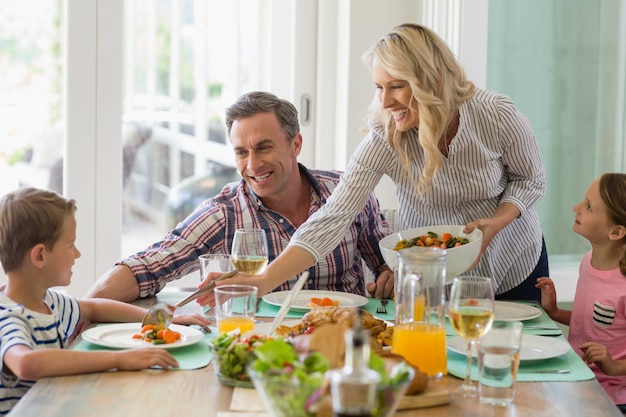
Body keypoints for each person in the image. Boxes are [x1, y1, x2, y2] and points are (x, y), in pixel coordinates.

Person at [201, 23, 548, 305]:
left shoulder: (496, 114)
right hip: (431, 275)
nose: (385, 100)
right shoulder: (386, 136)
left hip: (512, 261)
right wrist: (263, 281)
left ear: (434, 79)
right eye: (379, 87)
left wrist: (497, 221)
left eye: (396, 86)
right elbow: (333, 216)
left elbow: (531, 179)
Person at [85, 91, 394, 302]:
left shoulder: (347, 193)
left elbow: (387, 263)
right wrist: (84, 308)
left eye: (264, 147)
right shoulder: (225, 213)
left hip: (345, 341)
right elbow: (149, 265)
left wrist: (387, 277)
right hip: (262, 352)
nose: (252, 164)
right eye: (241, 152)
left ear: (295, 144)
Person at [0, 188, 206, 413]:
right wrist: (118, 360)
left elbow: (94, 308)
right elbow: (26, 364)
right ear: (40, 256)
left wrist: (163, 319)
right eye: (70, 245)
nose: (77, 254)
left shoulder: (47, 301)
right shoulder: (9, 316)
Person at [536, 173, 626, 413]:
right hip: (578, 379)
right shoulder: (588, 262)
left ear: (616, 232)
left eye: (588, 207)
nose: (576, 208)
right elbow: (595, 322)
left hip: (616, 398)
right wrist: (553, 312)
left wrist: (614, 367)